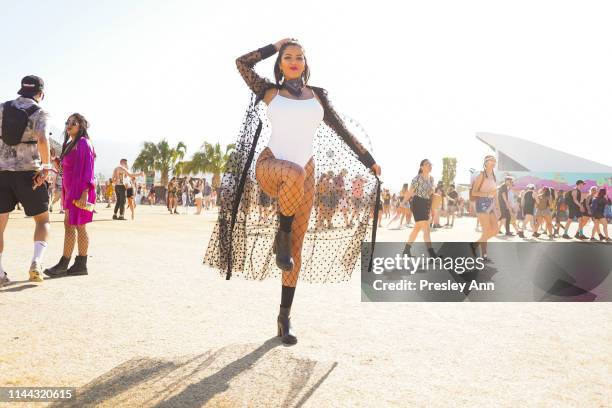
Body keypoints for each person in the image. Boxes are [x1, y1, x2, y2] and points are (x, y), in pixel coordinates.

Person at [204, 38, 381, 345]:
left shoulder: (318, 96)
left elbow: (342, 129)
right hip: (272, 165)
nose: (294, 60)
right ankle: (281, 235)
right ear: (281, 63)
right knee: (294, 173)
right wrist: (275, 45)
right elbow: (241, 63)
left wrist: (369, 161)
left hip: (307, 173)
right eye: (288, 56)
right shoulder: (270, 92)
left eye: (299, 56)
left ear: (305, 62)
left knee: (295, 253)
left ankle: (284, 317)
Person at [0, 75, 53, 285]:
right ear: (40, 93)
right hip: (29, 173)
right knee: (43, 220)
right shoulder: (40, 112)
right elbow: (42, 138)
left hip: (2, 172)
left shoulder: (3, 108)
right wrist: (47, 167)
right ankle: (37, 263)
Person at [44, 114, 96, 277]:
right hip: (70, 190)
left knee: (76, 226)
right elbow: (66, 168)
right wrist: (56, 162)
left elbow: (89, 169)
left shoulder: (83, 143)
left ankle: (68, 263)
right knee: (72, 226)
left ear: (81, 126)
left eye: (73, 123)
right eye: (67, 122)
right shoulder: (69, 143)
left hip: (80, 190)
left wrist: (85, 194)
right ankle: (78, 264)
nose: (69, 125)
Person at [401, 159, 439, 258]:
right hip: (418, 203)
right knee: (426, 229)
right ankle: (432, 254)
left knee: (416, 229)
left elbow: (430, 193)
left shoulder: (431, 179)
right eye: (428, 164)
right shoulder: (416, 178)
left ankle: (406, 250)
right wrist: (402, 204)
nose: (430, 166)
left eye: (431, 164)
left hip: (426, 204)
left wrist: (433, 194)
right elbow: (410, 192)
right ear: (422, 167)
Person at [470, 155, 499, 261]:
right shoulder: (482, 175)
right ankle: (484, 254)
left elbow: (495, 193)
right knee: (486, 231)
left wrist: (497, 206)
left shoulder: (494, 176)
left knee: (495, 230)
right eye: (491, 160)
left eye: (494, 160)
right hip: (481, 202)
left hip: (491, 204)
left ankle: (474, 245)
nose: (493, 162)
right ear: (486, 163)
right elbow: (474, 192)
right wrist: (487, 194)